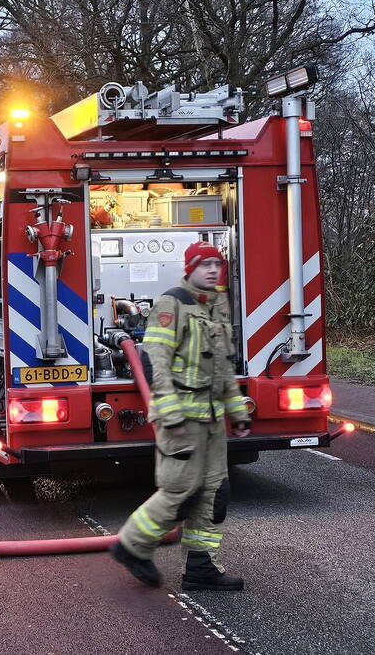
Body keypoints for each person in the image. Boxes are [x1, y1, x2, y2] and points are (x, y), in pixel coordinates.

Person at [110, 241, 251, 591]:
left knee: (215, 491)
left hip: (213, 420)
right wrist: (169, 412)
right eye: (205, 265)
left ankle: (201, 567)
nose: (214, 270)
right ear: (189, 269)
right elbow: (155, 360)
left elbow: (223, 368)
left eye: (217, 264)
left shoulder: (217, 304)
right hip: (182, 419)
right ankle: (131, 545)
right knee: (180, 490)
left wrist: (237, 411)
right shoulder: (171, 303)